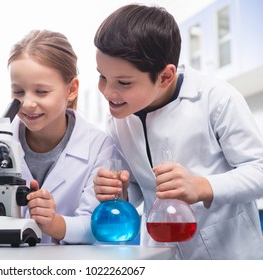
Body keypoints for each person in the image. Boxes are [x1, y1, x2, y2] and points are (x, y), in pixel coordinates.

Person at [93, 4, 263, 259]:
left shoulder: (216, 99)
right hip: (160, 253)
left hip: (228, 255)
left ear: (165, 76)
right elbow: (143, 188)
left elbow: (259, 170)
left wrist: (202, 186)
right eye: (102, 76)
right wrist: (121, 189)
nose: (107, 92)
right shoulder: (118, 120)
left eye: (124, 83)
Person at [0, 29, 116, 244]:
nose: (27, 103)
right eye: (18, 92)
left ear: (71, 89)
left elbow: (95, 224)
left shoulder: (99, 146)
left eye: (41, 92)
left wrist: (54, 223)